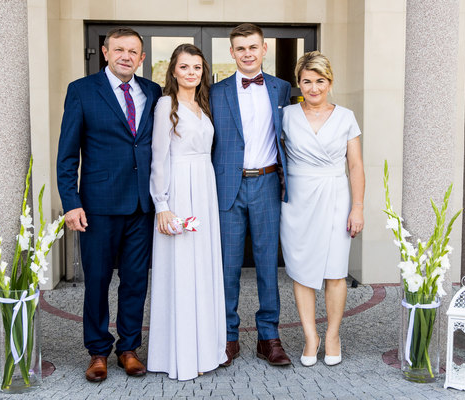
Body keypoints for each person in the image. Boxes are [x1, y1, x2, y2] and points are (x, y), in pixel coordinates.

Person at [56, 27, 161, 382]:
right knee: (98, 281)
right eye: (119, 50)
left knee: (135, 282)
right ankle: (97, 351)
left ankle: (128, 348)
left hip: (141, 206)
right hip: (98, 206)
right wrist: (71, 203)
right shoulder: (82, 91)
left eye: (132, 51)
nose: (125, 57)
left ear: (141, 57)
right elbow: (67, 155)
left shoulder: (153, 92)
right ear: (105, 52)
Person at [210, 23, 292, 367]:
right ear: (232, 52)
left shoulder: (281, 88)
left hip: (268, 184)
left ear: (264, 49)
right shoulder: (214, 92)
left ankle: (268, 337)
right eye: (240, 48)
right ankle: (228, 336)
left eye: (253, 47)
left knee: (267, 265)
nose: (247, 53)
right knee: (227, 267)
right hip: (227, 185)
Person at [147, 44, 227, 381]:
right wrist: (162, 205)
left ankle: (204, 350)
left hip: (204, 190)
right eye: (184, 67)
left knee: (202, 267)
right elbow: (158, 157)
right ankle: (180, 354)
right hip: (179, 189)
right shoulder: (166, 104)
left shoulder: (204, 104)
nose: (191, 72)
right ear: (173, 71)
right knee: (181, 268)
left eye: (196, 67)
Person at [280, 51, 365, 367]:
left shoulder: (346, 117)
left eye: (320, 81)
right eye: (306, 81)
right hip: (298, 200)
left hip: (335, 197)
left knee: (335, 270)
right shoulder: (286, 115)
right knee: (301, 270)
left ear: (329, 82)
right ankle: (310, 336)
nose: (313, 88)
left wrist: (357, 208)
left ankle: (332, 335)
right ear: (298, 83)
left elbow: (355, 166)